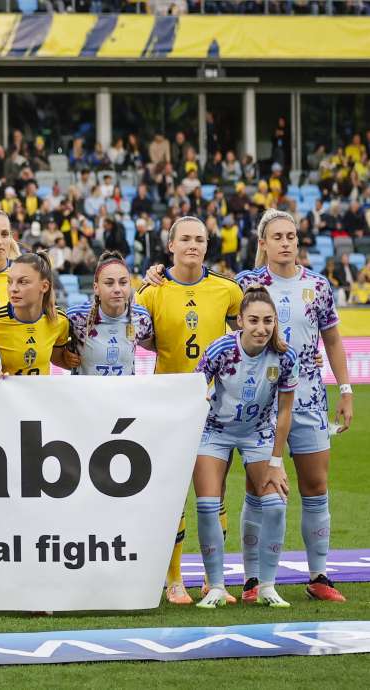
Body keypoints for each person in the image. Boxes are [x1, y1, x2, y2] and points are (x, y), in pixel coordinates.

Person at [235, 210, 355, 603]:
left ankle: (319, 576)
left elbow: (332, 340)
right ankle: (252, 580)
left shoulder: (318, 285)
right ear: (263, 243)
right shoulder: (247, 284)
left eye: (291, 235)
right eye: (278, 236)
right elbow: (230, 335)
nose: (286, 242)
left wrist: (346, 390)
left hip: (310, 400)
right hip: (261, 405)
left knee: (316, 487)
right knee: (260, 489)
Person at [139, 216, 244, 606]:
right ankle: (174, 580)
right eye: (185, 239)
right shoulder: (151, 292)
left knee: (213, 493)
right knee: (173, 495)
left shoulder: (227, 290)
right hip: (169, 406)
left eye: (199, 239)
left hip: (215, 406)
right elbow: (139, 338)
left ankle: (213, 580)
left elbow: (249, 332)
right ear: (171, 245)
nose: (193, 245)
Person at [193, 287, 297, 610]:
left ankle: (267, 586)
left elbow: (285, 411)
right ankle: (215, 587)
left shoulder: (285, 356)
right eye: (253, 320)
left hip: (258, 433)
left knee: (276, 505)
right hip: (215, 431)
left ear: (275, 321)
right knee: (207, 505)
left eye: (268, 321)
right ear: (239, 320)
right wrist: (200, 396)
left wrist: (276, 461)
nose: (261, 328)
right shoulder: (221, 349)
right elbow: (194, 387)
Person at [0, 251, 76, 376]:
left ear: (44, 287)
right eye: (10, 281)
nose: (13, 289)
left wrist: (70, 358)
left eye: (23, 282)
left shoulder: (59, 320)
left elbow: (57, 358)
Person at [65, 252, 154, 376]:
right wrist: (63, 355)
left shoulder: (141, 318)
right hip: (85, 389)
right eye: (109, 283)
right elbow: (53, 347)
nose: (117, 289)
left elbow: (155, 346)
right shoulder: (75, 317)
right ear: (96, 288)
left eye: (123, 283)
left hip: (126, 389)